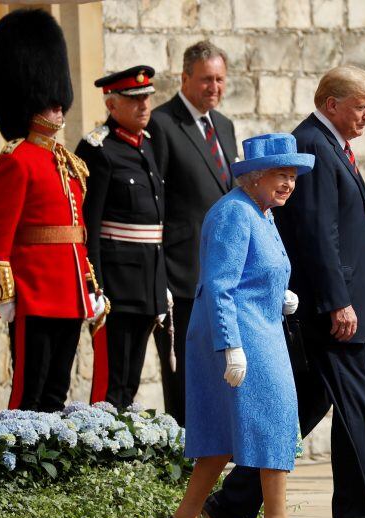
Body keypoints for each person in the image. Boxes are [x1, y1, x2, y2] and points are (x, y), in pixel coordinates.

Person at [206, 66, 365, 518]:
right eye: (361, 105)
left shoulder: (327, 143)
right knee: (356, 408)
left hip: (331, 305)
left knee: (302, 406)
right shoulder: (315, 145)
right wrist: (337, 301)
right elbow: (319, 232)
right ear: (332, 101)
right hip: (331, 310)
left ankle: (232, 500)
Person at [162, 134, 325, 518]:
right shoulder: (234, 213)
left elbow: (255, 272)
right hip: (239, 334)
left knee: (223, 435)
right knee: (275, 416)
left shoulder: (261, 211)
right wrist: (231, 345)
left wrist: (279, 294)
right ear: (253, 176)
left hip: (261, 326)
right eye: (281, 175)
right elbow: (218, 286)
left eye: (292, 176)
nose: (289, 183)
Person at [0, 9, 105, 411]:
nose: (59, 110)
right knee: (29, 393)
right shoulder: (16, 161)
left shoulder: (65, 162)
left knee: (56, 393)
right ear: (31, 104)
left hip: (68, 293)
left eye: (59, 102)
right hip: (34, 291)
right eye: (50, 103)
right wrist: (2, 291)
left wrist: (90, 284)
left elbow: (76, 233)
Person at [146, 40, 238, 426]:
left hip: (220, 273)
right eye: (204, 80)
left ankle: (212, 454)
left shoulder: (225, 126)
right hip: (181, 273)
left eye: (219, 79)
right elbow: (156, 201)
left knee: (218, 370)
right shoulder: (163, 123)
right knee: (182, 371)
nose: (213, 87)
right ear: (184, 78)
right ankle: (183, 456)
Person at [76, 65, 168, 409]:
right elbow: (90, 225)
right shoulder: (98, 149)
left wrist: (161, 283)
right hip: (115, 285)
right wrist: (93, 284)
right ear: (112, 105)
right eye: (134, 100)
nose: (144, 106)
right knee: (110, 385)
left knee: (129, 383)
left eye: (146, 98)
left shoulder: (148, 146)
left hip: (147, 283)